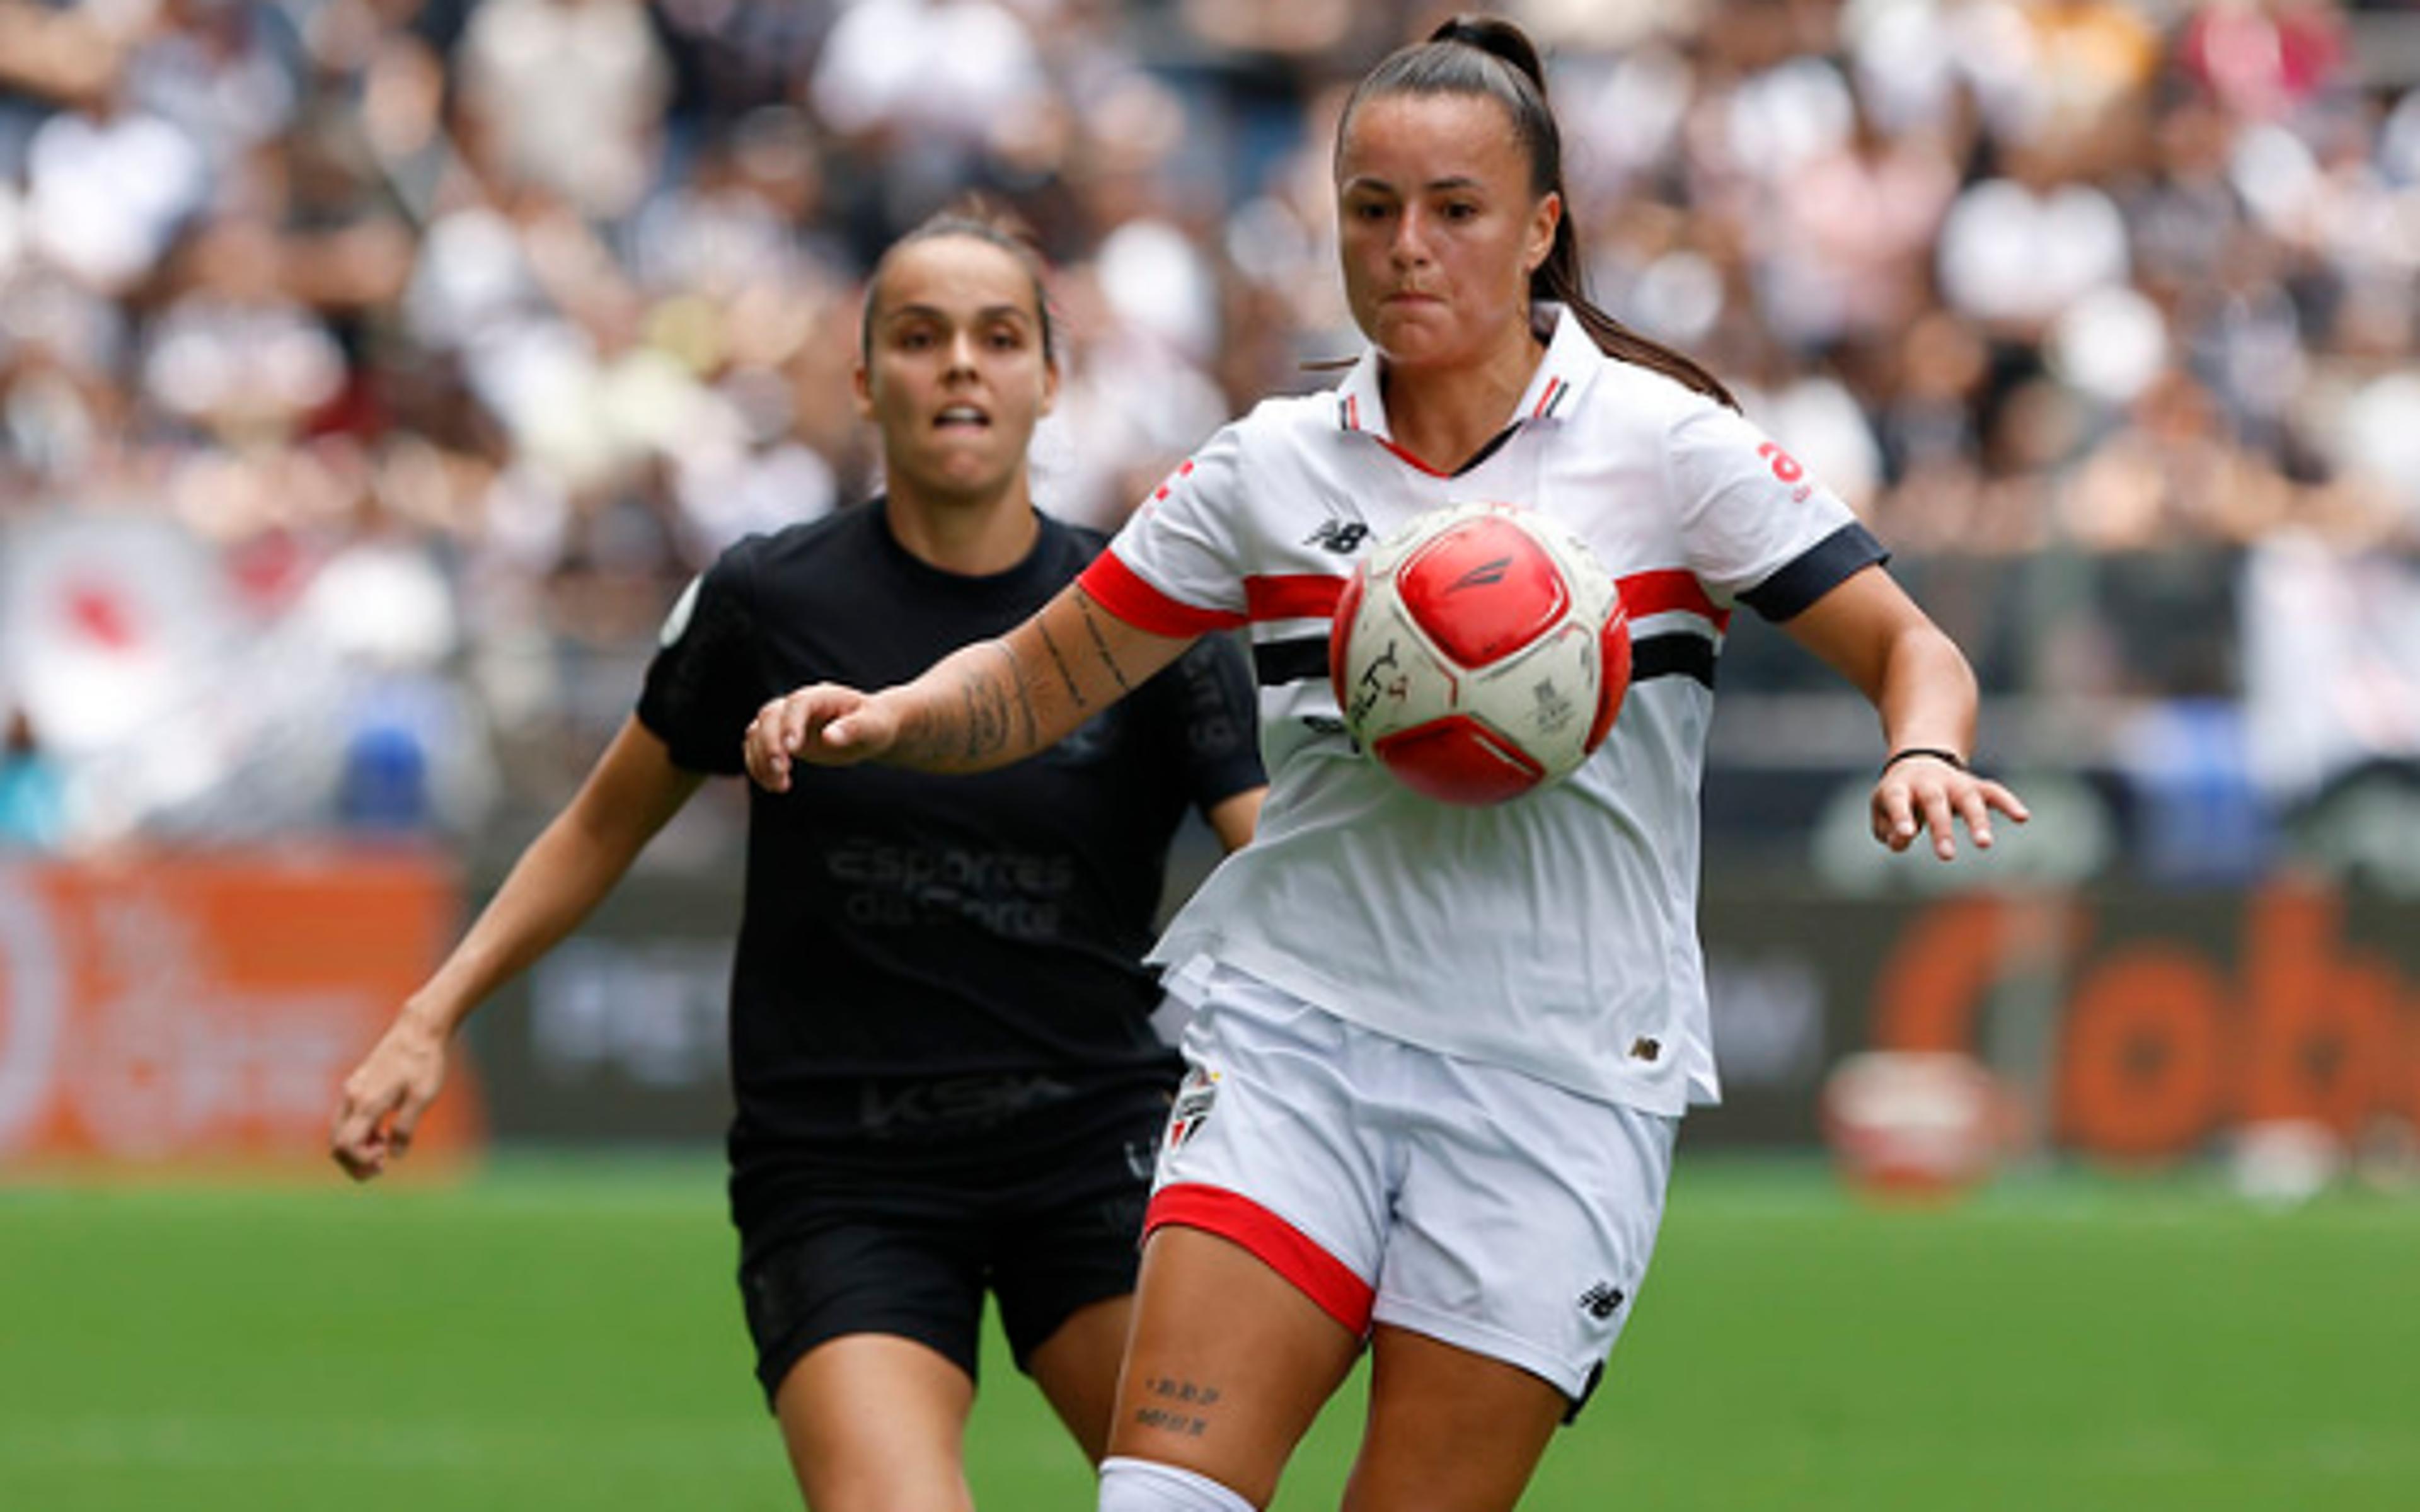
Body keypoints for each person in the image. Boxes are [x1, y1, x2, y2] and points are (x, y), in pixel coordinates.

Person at [744, 16, 2029, 1512]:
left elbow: (1910, 646)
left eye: (1455, 210)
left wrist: (1922, 747)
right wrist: (898, 715)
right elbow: (1039, 676)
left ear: (1543, 227)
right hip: (1299, 1036)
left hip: (1560, 1081)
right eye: (1373, 210)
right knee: (1159, 1498)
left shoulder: (1668, 448)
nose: (1407, 247)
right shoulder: (1269, 466)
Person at [328, 204, 1268, 1512]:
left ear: (1052, 380)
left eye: (999, 338)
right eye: (920, 335)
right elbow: (602, 824)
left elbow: (1280, 863)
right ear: (862, 377)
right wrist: (431, 1015)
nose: (959, 366)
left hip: (1093, 1150)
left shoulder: (1140, 615)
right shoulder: (769, 599)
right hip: (844, 1172)